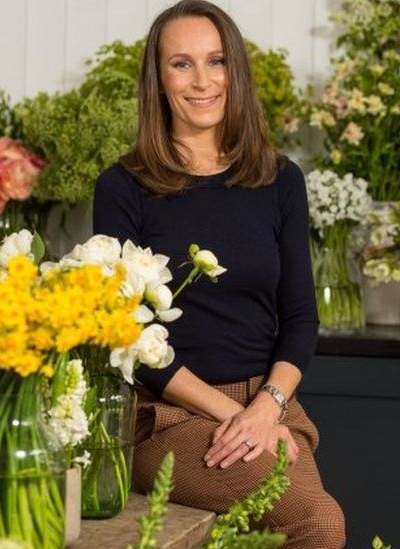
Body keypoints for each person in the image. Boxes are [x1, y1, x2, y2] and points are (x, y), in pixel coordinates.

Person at [92, 1, 346, 547]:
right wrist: (238, 415)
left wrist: (266, 408)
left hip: (270, 403)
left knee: (305, 524)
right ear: (158, 80)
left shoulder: (279, 180)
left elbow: (301, 316)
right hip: (171, 414)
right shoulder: (123, 187)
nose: (202, 80)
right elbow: (126, 333)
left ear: (236, 72)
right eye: (181, 64)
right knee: (318, 523)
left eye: (217, 61)